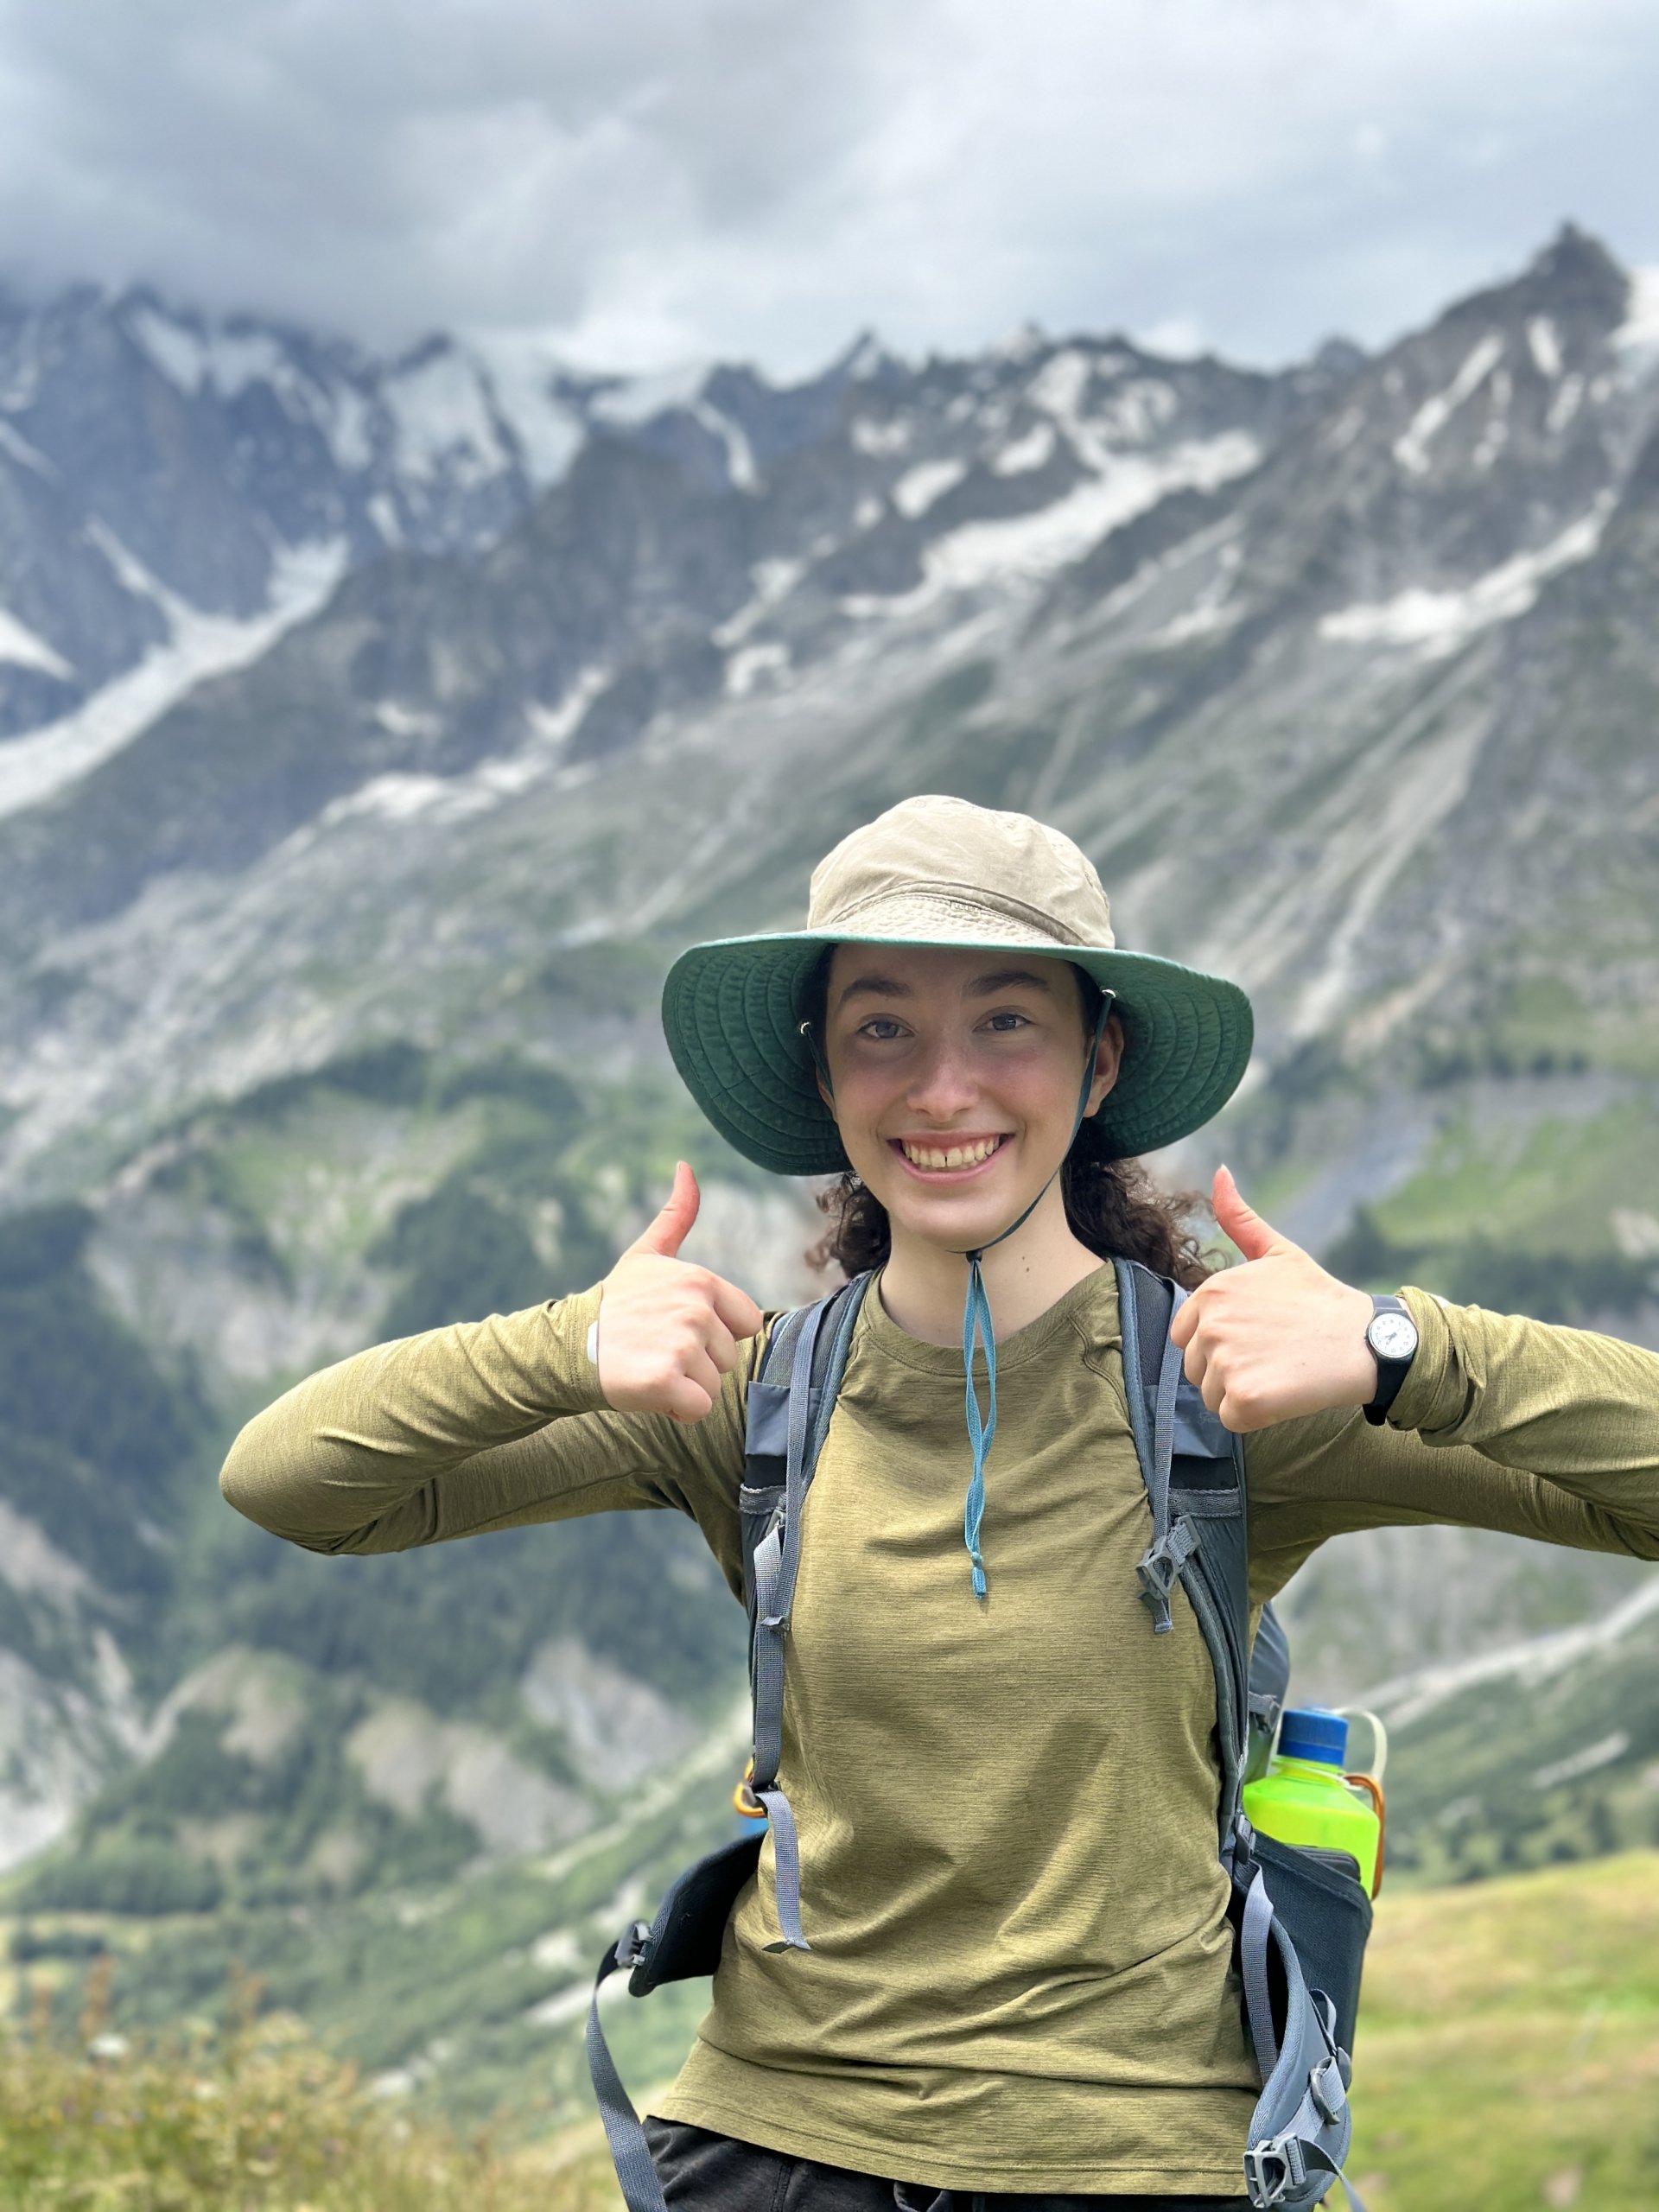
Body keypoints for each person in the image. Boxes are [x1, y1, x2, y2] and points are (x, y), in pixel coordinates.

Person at [220, 794, 1659, 2210]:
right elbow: (300, 1485)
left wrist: (1404, 1351)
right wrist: (568, 1343)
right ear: (827, 1078)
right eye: (883, 1026)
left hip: (1134, 2157)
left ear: (1098, 1064)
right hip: (773, 2145)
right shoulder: (753, 1400)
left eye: (1008, 1022)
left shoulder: (1229, 1394)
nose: (942, 1086)